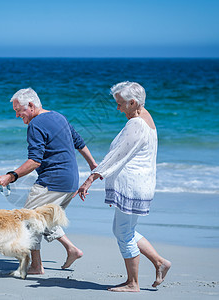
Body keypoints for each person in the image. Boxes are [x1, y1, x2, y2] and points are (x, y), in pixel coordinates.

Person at [75, 81, 171, 292]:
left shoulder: (136, 124)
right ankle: (159, 262)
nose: (117, 108)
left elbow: (116, 156)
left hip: (133, 185)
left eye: (120, 104)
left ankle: (133, 283)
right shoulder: (146, 115)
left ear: (133, 102)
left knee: (124, 233)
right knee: (123, 230)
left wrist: (90, 179)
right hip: (140, 183)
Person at [0, 87, 97, 275]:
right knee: (44, 219)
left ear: (31, 106)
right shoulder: (59, 116)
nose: (17, 115)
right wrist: (93, 165)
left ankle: (36, 266)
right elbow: (79, 142)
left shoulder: (36, 124)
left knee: (27, 219)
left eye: (19, 111)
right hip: (70, 182)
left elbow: (35, 161)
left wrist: (11, 176)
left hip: (53, 181)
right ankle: (71, 250)